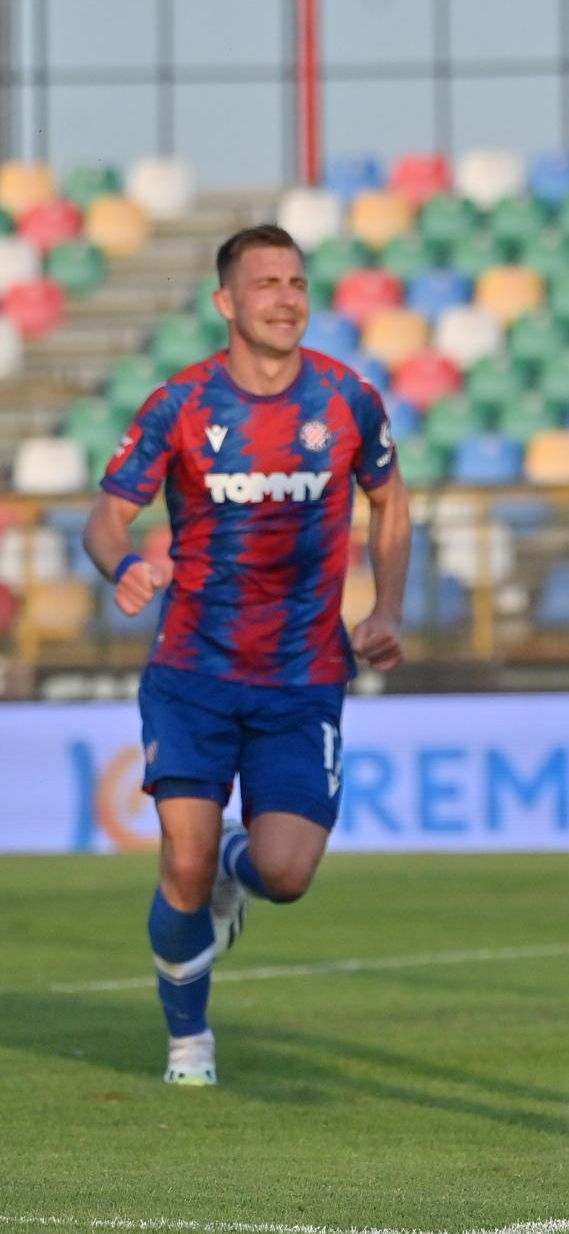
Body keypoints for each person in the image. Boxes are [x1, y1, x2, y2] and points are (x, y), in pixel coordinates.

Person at [82, 224, 409, 1086]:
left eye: (297, 282)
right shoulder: (182, 405)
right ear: (227, 303)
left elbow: (391, 502)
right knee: (180, 860)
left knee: (285, 873)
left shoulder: (347, 399)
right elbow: (106, 516)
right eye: (266, 283)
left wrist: (389, 608)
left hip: (305, 678)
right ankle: (189, 1038)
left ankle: (239, 865)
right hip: (194, 671)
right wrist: (126, 566)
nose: (286, 297)